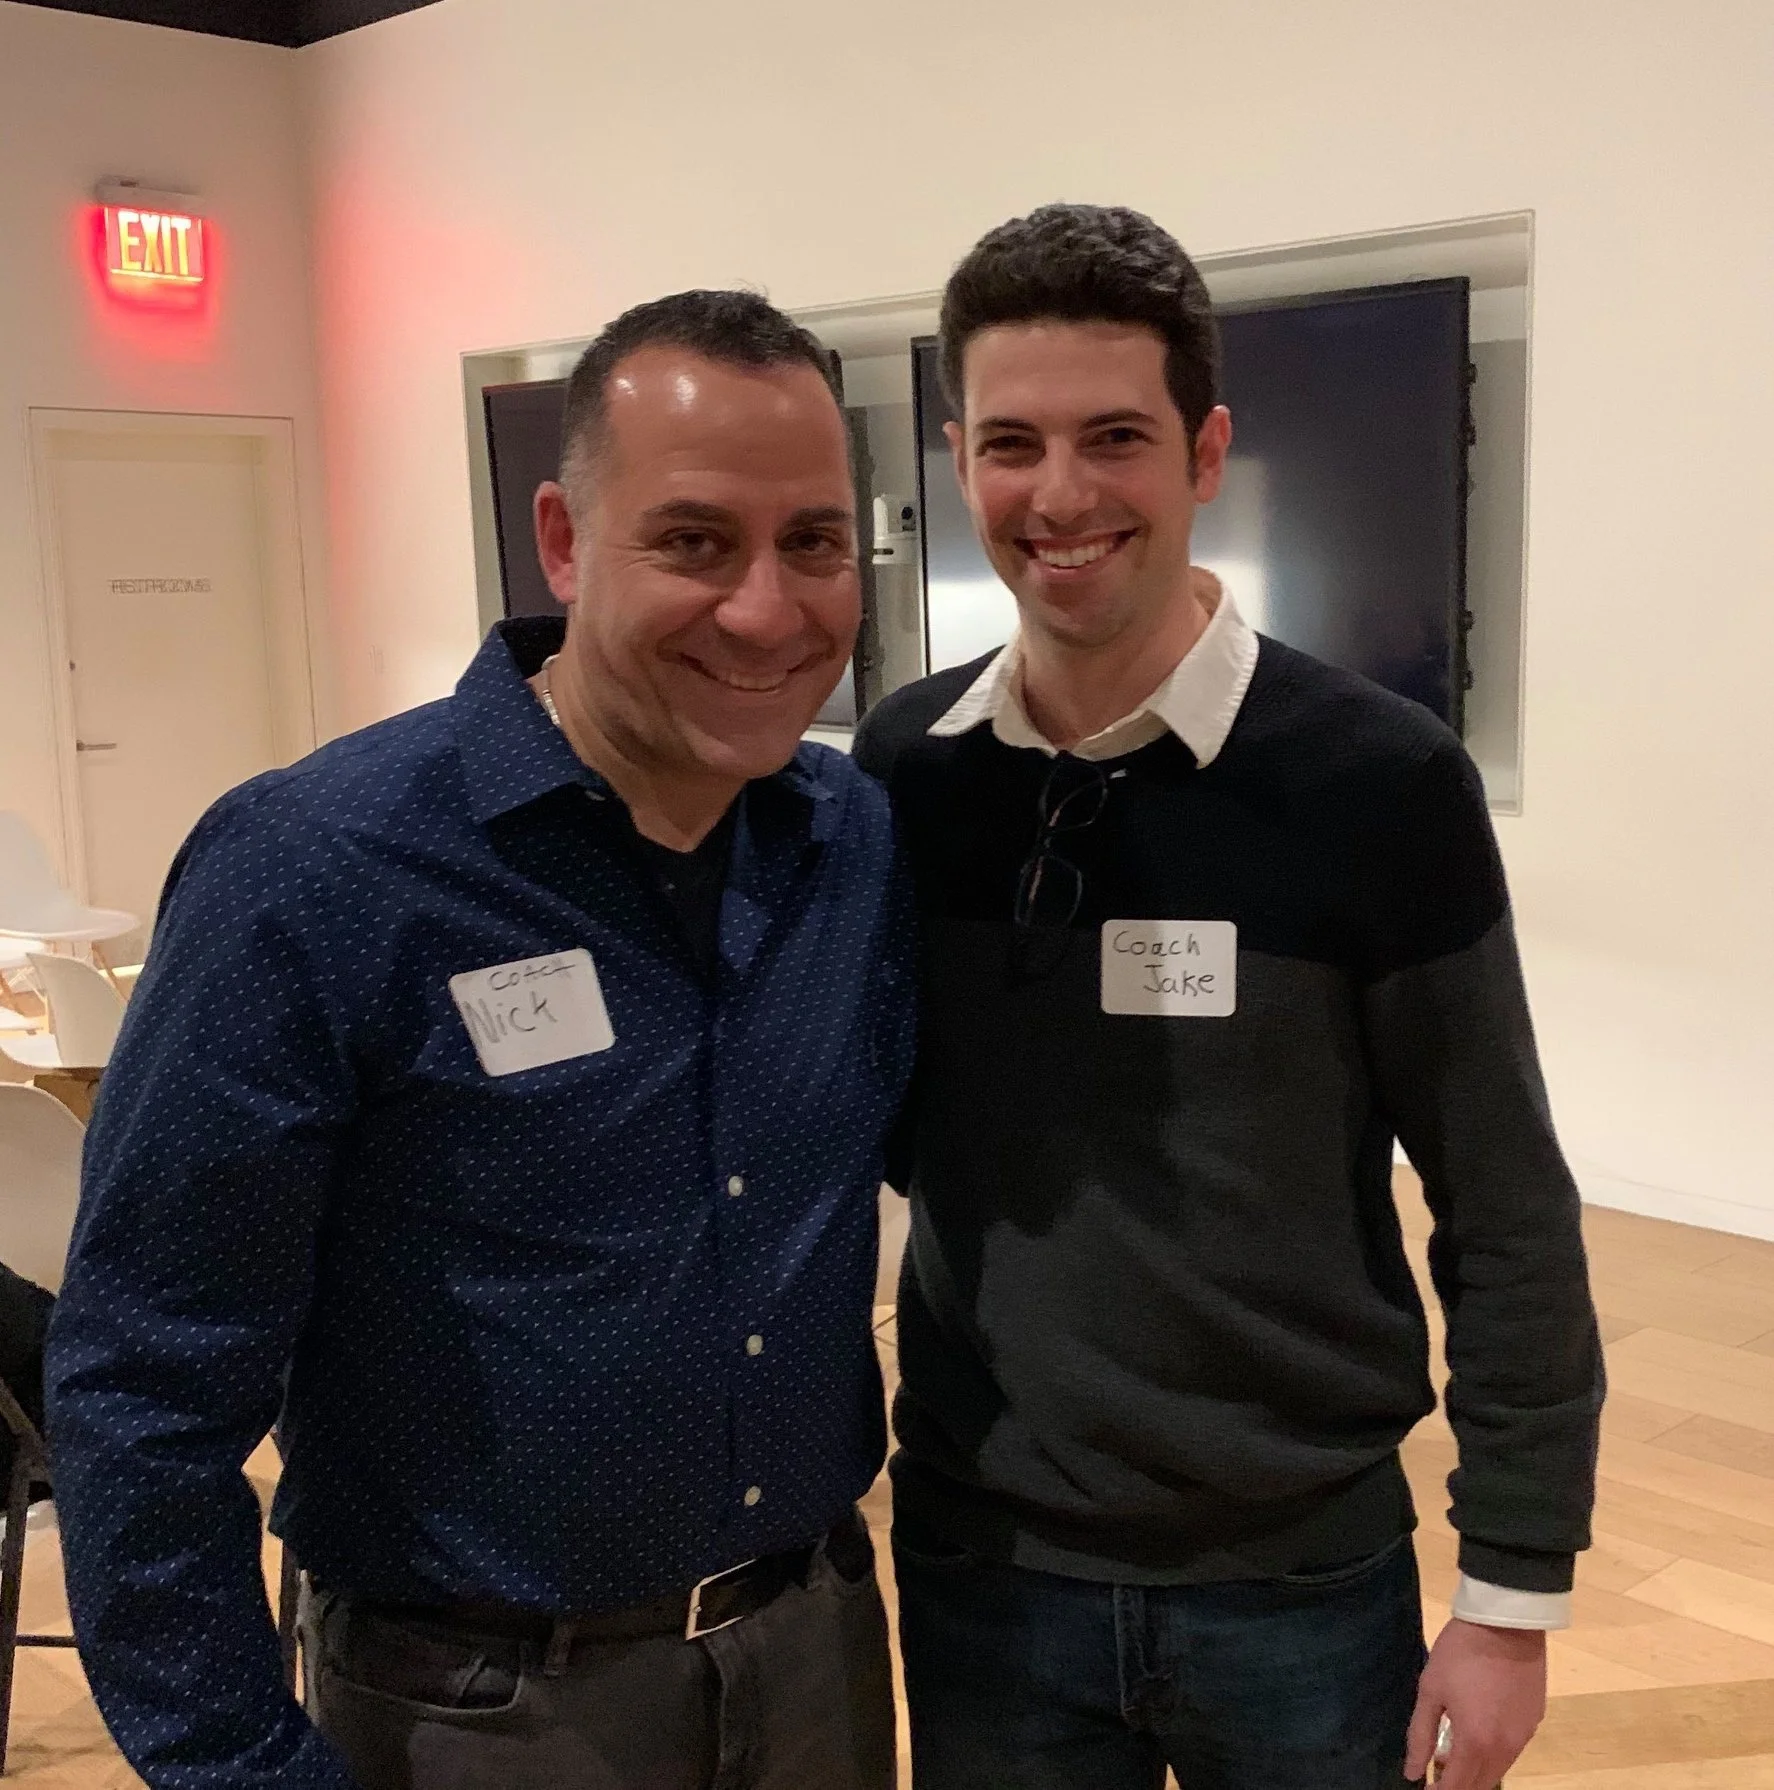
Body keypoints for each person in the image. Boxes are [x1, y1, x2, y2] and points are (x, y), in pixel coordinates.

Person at [47, 289, 915, 1790]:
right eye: (694, 540)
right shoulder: (317, 870)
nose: (768, 609)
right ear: (563, 542)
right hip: (479, 1711)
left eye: (815, 542)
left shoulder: (849, 843)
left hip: (816, 1659)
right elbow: (145, 1382)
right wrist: (237, 1763)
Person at [854, 205, 1604, 1790]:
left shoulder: (1379, 781)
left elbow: (1503, 1199)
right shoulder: (905, 771)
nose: (1060, 495)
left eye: (1113, 437)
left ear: (1205, 452)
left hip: (1298, 1580)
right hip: (986, 1570)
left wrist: (1509, 1591)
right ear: (956, 458)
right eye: (1011, 444)